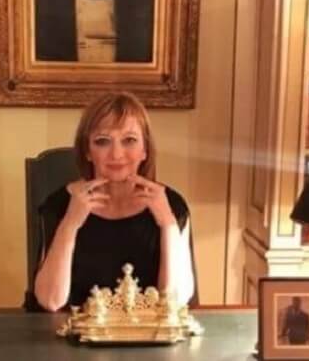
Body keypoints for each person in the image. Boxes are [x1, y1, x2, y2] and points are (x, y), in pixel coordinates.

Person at [31, 91, 195, 311]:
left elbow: (175, 301)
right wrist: (70, 223)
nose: (116, 154)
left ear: (145, 150)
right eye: (102, 141)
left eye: (129, 140)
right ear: (87, 151)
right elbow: (51, 301)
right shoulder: (58, 205)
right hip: (76, 329)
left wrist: (168, 223)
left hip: (146, 330)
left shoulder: (172, 205)